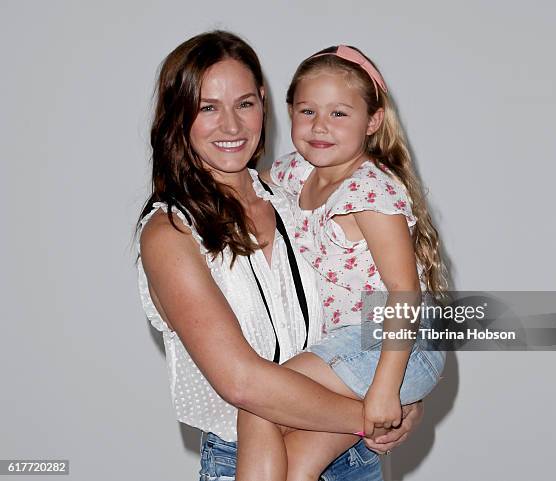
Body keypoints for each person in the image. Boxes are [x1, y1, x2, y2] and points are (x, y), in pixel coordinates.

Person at [136, 31, 424, 481]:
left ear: (265, 103)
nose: (231, 126)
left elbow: (381, 305)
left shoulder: (294, 193)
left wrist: (401, 391)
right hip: (251, 454)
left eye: (244, 104)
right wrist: (376, 414)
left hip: (352, 456)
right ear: (178, 116)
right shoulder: (172, 230)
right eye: (208, 107)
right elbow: (242, 382)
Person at [236, 45, 448, 481]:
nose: (319, 127)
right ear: (289, 111)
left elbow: (404, 294)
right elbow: (239, 187)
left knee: (259, 402)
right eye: (308, 111)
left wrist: (387, 390)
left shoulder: (370, 192)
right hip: (356, 347)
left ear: (372, 121)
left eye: (339, 114)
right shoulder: (295, 172)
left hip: (389, 345)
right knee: (296, 467)